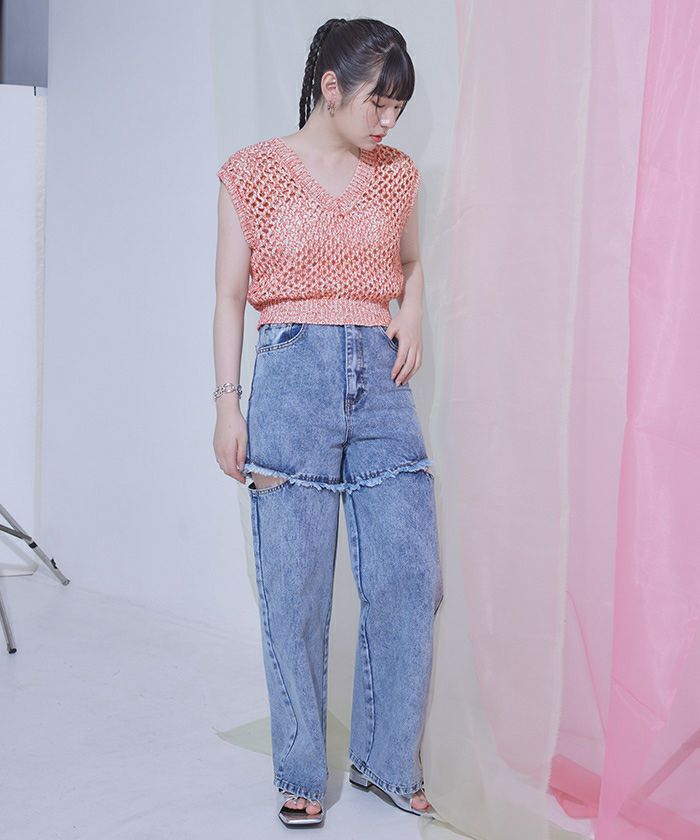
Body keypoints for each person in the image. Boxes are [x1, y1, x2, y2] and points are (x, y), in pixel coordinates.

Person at [212, 16, 443, 828]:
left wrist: (413, 314)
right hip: (290, 380)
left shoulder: (398, 175)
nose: (388, 120)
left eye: (399, 107)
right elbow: (228, 296)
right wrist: (227, 403)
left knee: (410, 578)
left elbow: (410, 263)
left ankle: (386, 761)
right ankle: (302, 770)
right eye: (378, 102)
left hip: (381, 385)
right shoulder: (251, 171)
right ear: (331, 87)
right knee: (296, 592)